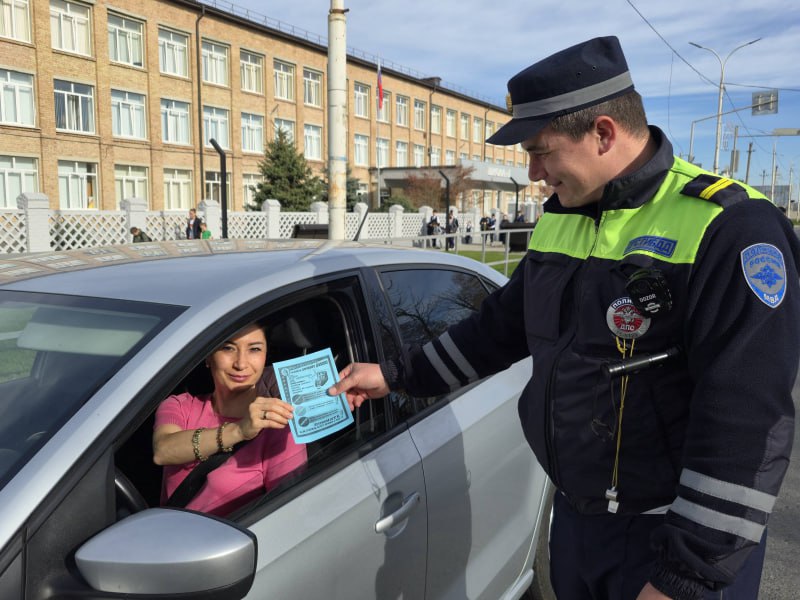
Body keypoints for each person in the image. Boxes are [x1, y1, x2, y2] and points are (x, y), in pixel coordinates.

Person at [327, 36, 800, 600]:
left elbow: (745, 423)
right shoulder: (563, 217)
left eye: (541, 151)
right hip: (579, 525)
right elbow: (499, 327)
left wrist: (685, 578)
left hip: (669, 541)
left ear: (603, 133)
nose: (532, 173)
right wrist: (398, 375)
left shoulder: (730, 228)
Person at [153, 322, 307, 516]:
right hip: (168, 536)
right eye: (228, 348)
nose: (241, 364)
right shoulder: (180, 405)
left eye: (254, 349)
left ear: (265, 356)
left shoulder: (279, 426)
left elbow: (288, 512)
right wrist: (239, 430)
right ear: (208, 356)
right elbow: (163, 451)